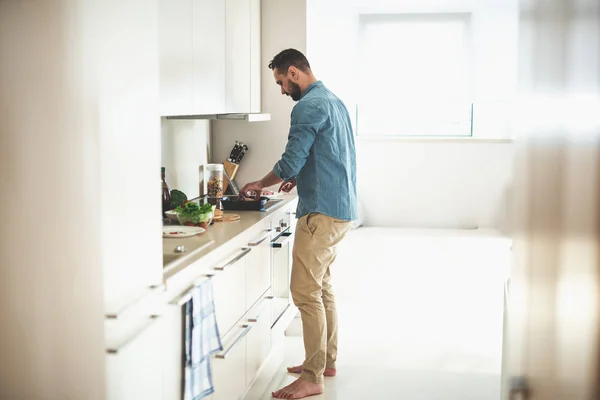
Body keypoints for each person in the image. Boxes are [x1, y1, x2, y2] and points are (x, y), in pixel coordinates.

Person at [239, 48, 358, 399]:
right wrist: (300, 177)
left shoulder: (307, 106)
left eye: (280, 81)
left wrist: (260, 184)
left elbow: (291, 159)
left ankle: (312, 376)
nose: (281, 90)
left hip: (321, 211)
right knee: (321, 288)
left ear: (293, 72)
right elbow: (328, 153)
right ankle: (326, 361)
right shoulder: (332, 100)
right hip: (340, 206)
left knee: (305, 292)